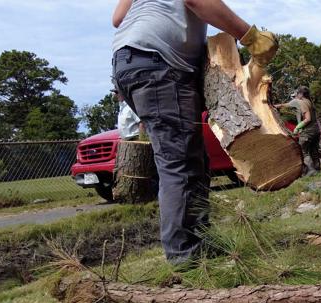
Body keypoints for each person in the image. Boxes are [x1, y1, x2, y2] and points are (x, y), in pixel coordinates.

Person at [111, 0, 277, 267]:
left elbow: (118, 18)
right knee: (180, 162)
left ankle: (201, 243)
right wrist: (250, 36)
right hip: (159, 63)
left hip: (130, 61)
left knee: (193, 159)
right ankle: (185, 259)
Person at [275, 86, 321, 176]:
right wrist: (277, 106)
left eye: (297, 93)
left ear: (300, 94)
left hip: (308, 131)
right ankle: (317, 170)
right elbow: (287, 105)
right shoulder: (310, 102)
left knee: (303, 151)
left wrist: (298, 127)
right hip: (316, 130)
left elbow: (307, 119)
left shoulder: (302, 103)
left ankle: (311, 170)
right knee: (314, 150)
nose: (296, 95)